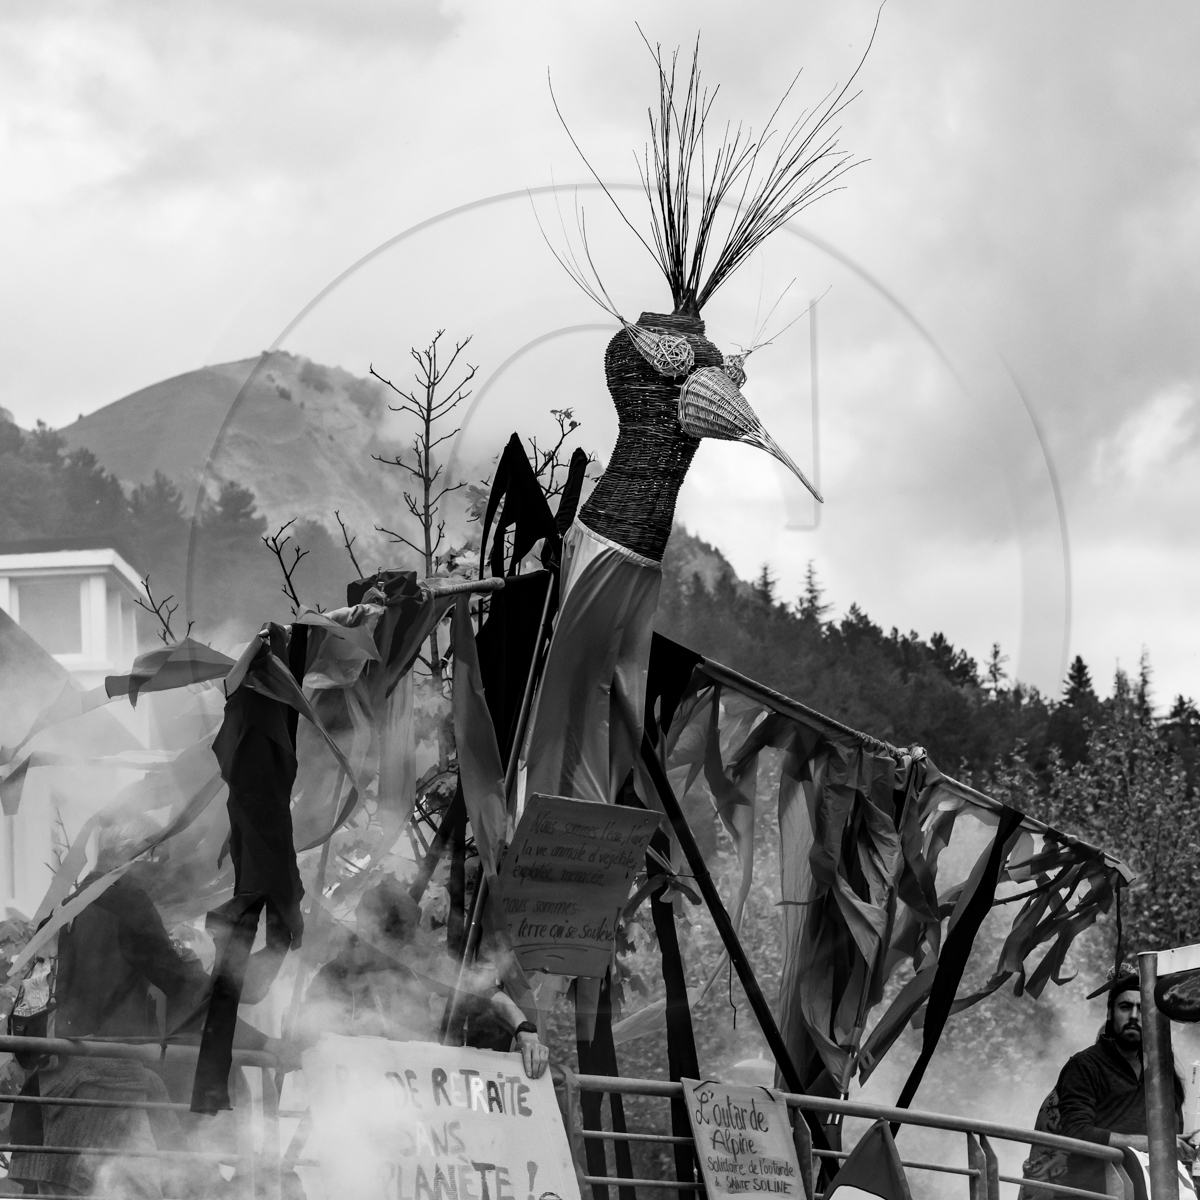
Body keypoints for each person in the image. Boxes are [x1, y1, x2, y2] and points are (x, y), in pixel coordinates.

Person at [299, 876, 549, 1079]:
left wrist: (525, 1031)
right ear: (367, 931)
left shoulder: (419, 963)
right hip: (357, 1103)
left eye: (405, 941)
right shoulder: (333, 976)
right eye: (394, 942)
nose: (403, 951)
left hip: (419, 1094)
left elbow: (486, 993)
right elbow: (307, 1042)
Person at [1054, 965, 1189, 1196]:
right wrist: (1156, 1144)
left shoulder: (1162, 1073)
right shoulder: (1084, 1066)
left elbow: (1173, 1132)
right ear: (1109, 1014)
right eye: (1125, 1007)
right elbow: (1076, 1133)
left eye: (1142, 1008)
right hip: (1093, 1194)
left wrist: (1181, 1145)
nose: (1134, 1016)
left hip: (1150, 1191)